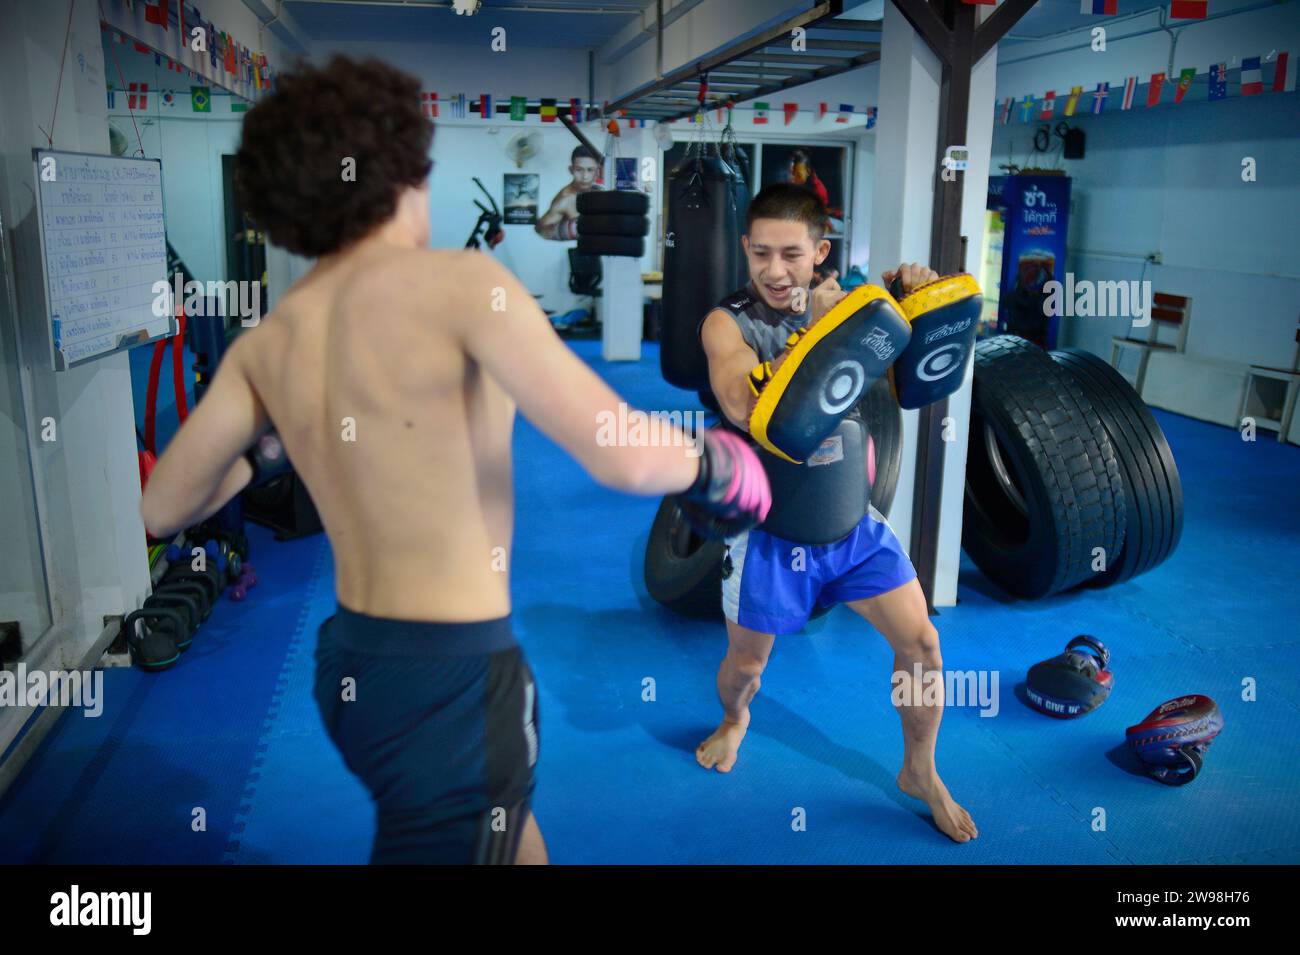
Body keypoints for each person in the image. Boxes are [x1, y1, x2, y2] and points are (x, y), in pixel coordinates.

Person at [139, 56, 770, 865]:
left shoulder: (274, 337)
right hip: (451, 676)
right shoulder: (466, 286)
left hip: (353, 665)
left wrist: (275, 445)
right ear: (405, 169)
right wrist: (716, 465)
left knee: (504, 834)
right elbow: (620, 454)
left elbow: (163, 507)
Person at [694, 183, 978, 844]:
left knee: (924, 644)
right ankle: (737, 719)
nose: (773, 269)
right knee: (746, 670)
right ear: (745, 248)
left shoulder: (855, 304)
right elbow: (743, 405)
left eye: (791, 253)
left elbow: (917, 371)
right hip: (769, 531)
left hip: (852, 521)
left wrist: (917, 299)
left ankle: (919, 769)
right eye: (760, 252)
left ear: (820, 250)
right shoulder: (726, 322)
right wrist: (821, 331)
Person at [534, 145, 601, 241]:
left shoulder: (597, 191)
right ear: (571, 170)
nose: (585, 176)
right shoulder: (565, 199)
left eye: (590, 170)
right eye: (579, 170)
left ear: (597, 172)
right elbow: (541, 229)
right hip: (582, 252)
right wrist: (569, 230)